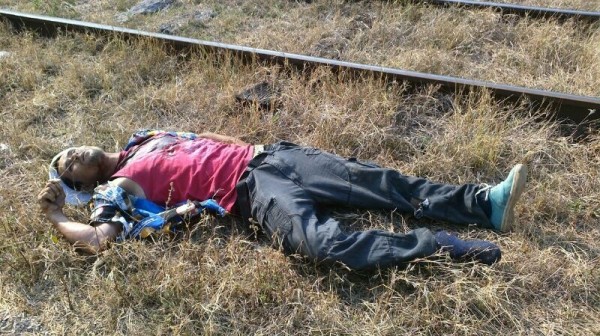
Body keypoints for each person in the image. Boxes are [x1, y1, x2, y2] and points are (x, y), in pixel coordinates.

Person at [37, 129, 528, 270]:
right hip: (252, 191)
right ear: (79, 184)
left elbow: (206, 136)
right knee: (321, 245)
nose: (70, 153)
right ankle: (436, 245)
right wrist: (57, 212)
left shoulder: (143, 138)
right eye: (64, 164)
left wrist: (247, 148)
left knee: (380, 181)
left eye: (68, 149)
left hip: (273, 157)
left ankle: (484, 204)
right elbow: (98, 241)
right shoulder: (115, 190)